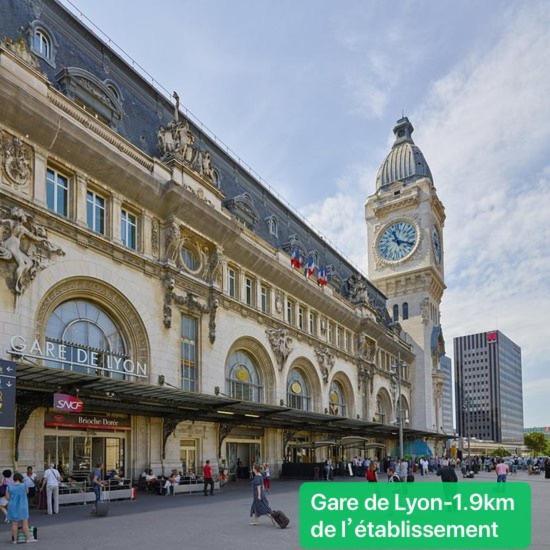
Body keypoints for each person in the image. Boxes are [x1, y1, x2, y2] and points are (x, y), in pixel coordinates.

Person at [7, 473, 36, 543]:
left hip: (12, 506)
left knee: (14, 524)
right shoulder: (24, 485)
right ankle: (28, 539)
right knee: (25, 523)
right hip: (22, 506)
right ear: (21, 478)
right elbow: (27, 492)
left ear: (14, 479)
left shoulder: (9, 486)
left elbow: (8, 497)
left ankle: (14, 540)